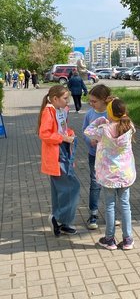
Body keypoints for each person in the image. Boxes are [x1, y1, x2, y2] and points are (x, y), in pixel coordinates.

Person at [84, 99, 136, 250]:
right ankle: (128, 239)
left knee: (110, 206)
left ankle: (109, 239)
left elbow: (87, 131)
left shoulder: (103, 129)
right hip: (125, 173)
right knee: (125, 205)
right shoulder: (129, 126)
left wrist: (99, 120)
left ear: (110, 113)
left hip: (108, 175)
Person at [38, 85, 80, 236]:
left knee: (59, 189)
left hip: (62, 151)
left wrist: (69, 133)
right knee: (72, 186)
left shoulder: (59, 110)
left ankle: (61, 222)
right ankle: (58, 218)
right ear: (55, 99)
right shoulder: (48, 112)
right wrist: (64, 137)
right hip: (56, 154)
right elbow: (44, 134)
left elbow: (62, 129)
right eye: (65, 98)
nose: (67, 101)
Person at [82, 84, 112, 230]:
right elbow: (85, 132)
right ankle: (93, 215)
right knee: (95, 184)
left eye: (94, 101)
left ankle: (111, 215)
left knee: (110, 185)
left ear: (104, 100)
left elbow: (119, 129)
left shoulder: (111, 113)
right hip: (94, 155)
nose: (91, 104)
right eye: (90, 101)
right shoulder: (89, 114)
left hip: (109, 157)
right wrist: (90, 140)